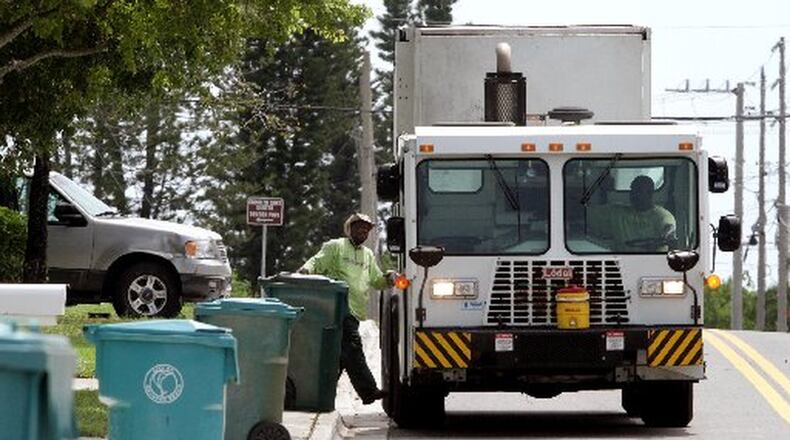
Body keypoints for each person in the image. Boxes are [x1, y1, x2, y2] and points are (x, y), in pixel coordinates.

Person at [298, 213, 393, 404]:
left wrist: (388, 278)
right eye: (359, 227)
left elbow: (376, 280)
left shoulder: (367, 254)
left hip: (355, 311)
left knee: (339, 357)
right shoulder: (336, 246)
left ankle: (319, 395)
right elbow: (317, 261)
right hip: (336, 307)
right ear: (350, 229)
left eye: (367, 229)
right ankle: (369, 391)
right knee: (353, 347)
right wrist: (305, 270)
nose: (363, 231)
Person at [590, 175, 677, 251]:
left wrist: (667, 235)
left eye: (638, 191)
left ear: (650, 193)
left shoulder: (661, 215)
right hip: (621, 261)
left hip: (654, 260)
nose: (633, 194)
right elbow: (587, 214)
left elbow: (669, 228)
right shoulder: (617, 212)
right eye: (632, 190)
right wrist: (600, 187)